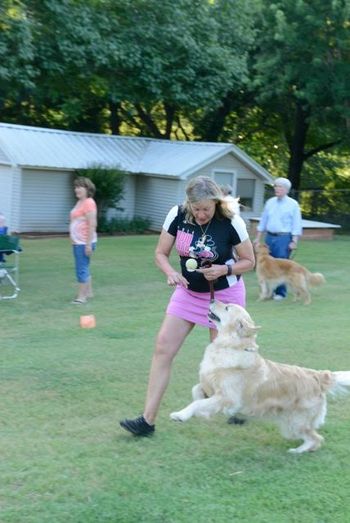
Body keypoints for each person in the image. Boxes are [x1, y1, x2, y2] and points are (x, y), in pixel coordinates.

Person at [120, 176, 255, 437]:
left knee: (225, 358)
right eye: (197, 209)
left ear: (216, 203)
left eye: (206, 209)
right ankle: (147, 421)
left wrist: (225, 268)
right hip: (188, 292)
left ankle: (240, 405)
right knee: (162, 348)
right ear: (189, 204)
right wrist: (171, 272)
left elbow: (250, 261)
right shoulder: (178, 215)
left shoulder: (231, 222)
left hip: (225, 295)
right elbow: (160, 253)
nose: (201, 214)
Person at [253, 177, 302, 300]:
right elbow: (263, 221)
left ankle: (280, 293)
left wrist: (294, 241)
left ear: (286, 189)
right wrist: (258, 238)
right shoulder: (270, 202)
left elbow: (296, 224)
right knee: (267, 265)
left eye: (280, 186)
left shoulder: (293, 204)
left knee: (281, 265)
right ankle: (268, 292)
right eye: (276, 186)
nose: (277, 188)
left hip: (283, 238)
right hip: (269, 237)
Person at [69, 177, 97, 304]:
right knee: (84, 266)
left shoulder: (89, 202)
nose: (77, 189)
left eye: (80, 186)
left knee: (81, 268)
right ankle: (89, 293)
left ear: (87, 189)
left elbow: (92, 224)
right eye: (75, 187)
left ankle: (81, 297)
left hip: (84, 242)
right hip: (78, 242)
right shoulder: (80, 202)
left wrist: (88, 244)